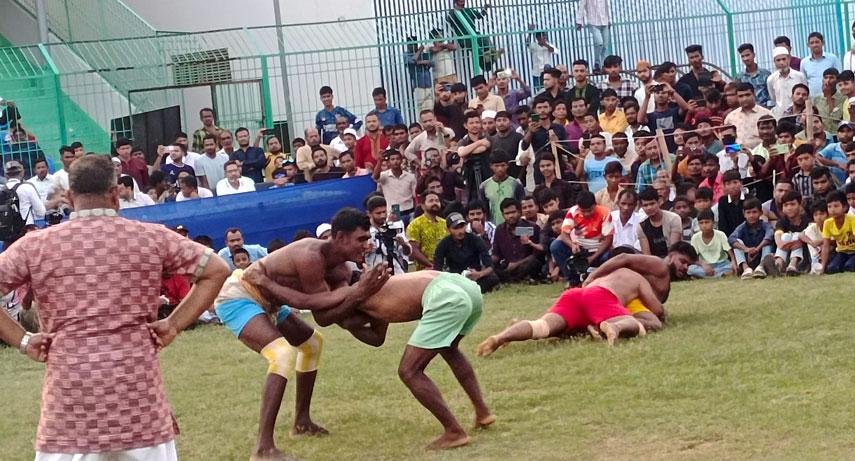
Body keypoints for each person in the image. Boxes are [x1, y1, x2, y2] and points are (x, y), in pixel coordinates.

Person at [0, 155, 230, 460]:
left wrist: (24, 340)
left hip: (70, 400)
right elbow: (216, 269)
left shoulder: (35, 246)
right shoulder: (152, 237)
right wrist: (173, 324)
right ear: (114, 195)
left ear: (69, 198)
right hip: (138, 394)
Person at [259, 262, 495, 449]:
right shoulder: (371, 288)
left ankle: (454, 432)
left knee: (409, 371)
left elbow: (319, 310)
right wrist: (349, 322)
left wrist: (267, 285)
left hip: (445, 296)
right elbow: (378, 338)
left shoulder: (350, 294)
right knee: (449, 349)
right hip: (463, 287)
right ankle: (482, 413)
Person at [217, 209, 389, 459]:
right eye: (361, 239)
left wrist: (370, 305)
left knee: (312, 344)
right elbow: (309, 301)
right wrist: (358, 292)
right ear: (340, 237)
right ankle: (263, 448)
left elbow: (327, 316)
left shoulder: (341, 270)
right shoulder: (310, 255)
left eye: (368, 238)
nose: (367, 244)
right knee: (282, 355)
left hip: (271, 301)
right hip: (239, 296)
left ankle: (302, 421)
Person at [477, 267, 652, 357]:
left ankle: (501, 337)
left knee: (541, 327)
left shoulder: (603, 274)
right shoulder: (636, 277)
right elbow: (657, 312)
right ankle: (615, 328)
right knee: (634, 324)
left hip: (575, 294)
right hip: (599, 296)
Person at [551, 191, 612, 286]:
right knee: (556, 246)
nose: (587, 214)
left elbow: (608, 240)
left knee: (609, 257)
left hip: (599, 251)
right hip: (580, 250)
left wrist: (592, 258)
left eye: (590, 210)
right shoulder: (573, 211)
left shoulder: (605, 213)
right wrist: (572, 245)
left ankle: (602, 281)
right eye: (583, 211)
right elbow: (564, 234)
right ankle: (573, 280)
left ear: (595, 205)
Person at [433, 212, 500, 293]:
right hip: (455, 278)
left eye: (462, 227)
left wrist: (479, 274)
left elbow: (490, 266)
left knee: (493, 278)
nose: (460, 231)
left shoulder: (475, 239)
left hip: (475, 277)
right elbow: (437, 270)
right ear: (448, 229)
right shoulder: (443, 244)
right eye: (456, 228)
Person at [820, 190, 855, 274]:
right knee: (832, 269)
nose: (832, 210)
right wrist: (822, 269)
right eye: (829, 207)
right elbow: (825, 246)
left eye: (836, 206)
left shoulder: (851, 219)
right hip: (842, 252)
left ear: (845, 207)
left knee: (850, 267)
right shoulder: (827, 223)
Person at [364, 194, 411, 274]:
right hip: (375, 274)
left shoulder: (396, 225)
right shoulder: (364, 230)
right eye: (378, 213)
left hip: (397, 272)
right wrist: (365, 250)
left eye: (384, 212)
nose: (382, 216)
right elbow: (358, 263)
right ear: (369, 214)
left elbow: (407, 253)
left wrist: (403, 244)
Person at [730, 197, 773, 279]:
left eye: (754, 212)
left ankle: (761, 267)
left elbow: (769, 235)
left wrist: (757, 249)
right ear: (744, 214)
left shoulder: (765, 225)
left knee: (767, 243)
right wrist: (746, 249)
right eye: (748, 212)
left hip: (761, 256)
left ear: (761, 212)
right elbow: (731, 238)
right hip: (748, 258)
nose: (751, 215)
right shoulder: (742, 227)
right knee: (736, 242)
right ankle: (745, 269)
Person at [407, 191, 449, 270]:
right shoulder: (415, 225)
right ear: (423, 206)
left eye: (437, 201)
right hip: (425, 270)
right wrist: (430, 265)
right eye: (431, 201)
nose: (435, 203)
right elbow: (413, 250)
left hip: (445, 269)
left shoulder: (445, 223)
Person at [688, 209, 736, 278]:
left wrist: (733, 262)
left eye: (707, 222)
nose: (704, 225)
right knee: (690, 269)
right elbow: (694, 257)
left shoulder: (720, 234)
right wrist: (703, 265)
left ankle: (705, 276)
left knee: (730, 267)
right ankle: (719, 275)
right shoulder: (695, 237)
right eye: (701, 223)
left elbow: (729, 251)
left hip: (721, 264)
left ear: (713, 223)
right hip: (704, 265)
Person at [374, 150, 418, 222]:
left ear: (401, 160)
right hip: (394, 214)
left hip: (410, 212)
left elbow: (415, 196)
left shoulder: (410, 177)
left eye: (398, 159)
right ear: (388, 162)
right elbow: (375, 177)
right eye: (393, 159)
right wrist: (380, 161)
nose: (395, 161)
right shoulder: (384, 176)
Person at [774, 190, 810, 275]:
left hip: (804, 255)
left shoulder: (807, 220)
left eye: (793, 204)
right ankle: (779, 264)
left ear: (800, 205)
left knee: (797, 235)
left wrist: (799, 241)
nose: (789, 208)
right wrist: (781, 243)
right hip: (786, 251)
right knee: (785, 235)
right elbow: (778, 235)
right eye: (786, 205)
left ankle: (793, 264)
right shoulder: (782, 221)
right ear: (782, 208)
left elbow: (806, 238)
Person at [767, 46, 808, 117]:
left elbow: (806, 94)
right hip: (780, 116)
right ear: (774, 62)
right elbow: (773, 98)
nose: (781, 63)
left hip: (799, 115)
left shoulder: (800, 76)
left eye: (784, 59)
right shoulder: (771, 79)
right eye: (778, 60)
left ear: (788, 59)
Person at [802, 32, 842, 96]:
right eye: (812, 43)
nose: (815, 45)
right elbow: (804, 82)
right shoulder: (804, 62)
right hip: (813, 99)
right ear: (808, 45)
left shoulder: (832, 58)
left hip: (832, 97)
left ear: (823, 43)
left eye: (817, 42)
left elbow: (839, 78)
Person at [575, 0, 611, 71]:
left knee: (605, 46)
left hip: (605, 21)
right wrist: (579, 21)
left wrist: (610, 19)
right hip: (593, 22)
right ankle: (597, 63)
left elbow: (607, 5)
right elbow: (581, 6)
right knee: (599, 43)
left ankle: (604, 65)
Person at [736, 43, 773, 108]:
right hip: (747, 111)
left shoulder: (766, 74)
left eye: (747, 55)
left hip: (765, 111)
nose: (745, 58)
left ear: (753, 55)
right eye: (742, 56)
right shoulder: (739, 77)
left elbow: (771, 94)